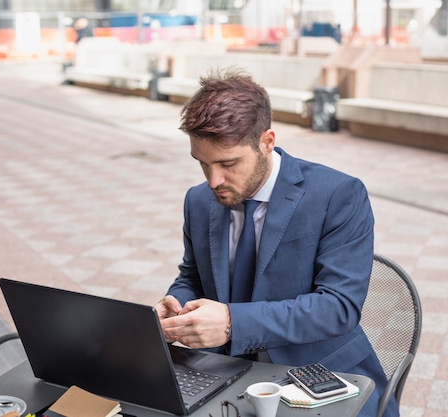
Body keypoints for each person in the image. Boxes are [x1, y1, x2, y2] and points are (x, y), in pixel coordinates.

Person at [155, 68, 399, 417]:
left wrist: (231, 323)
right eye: (202, 164)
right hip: (225, 375)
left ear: (266, 142)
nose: (214, 180)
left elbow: (338, 307)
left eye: (228, 164)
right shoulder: (198, 201)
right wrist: (176, 306)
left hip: (320, 375)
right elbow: (193, 276)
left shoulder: (337, 195)